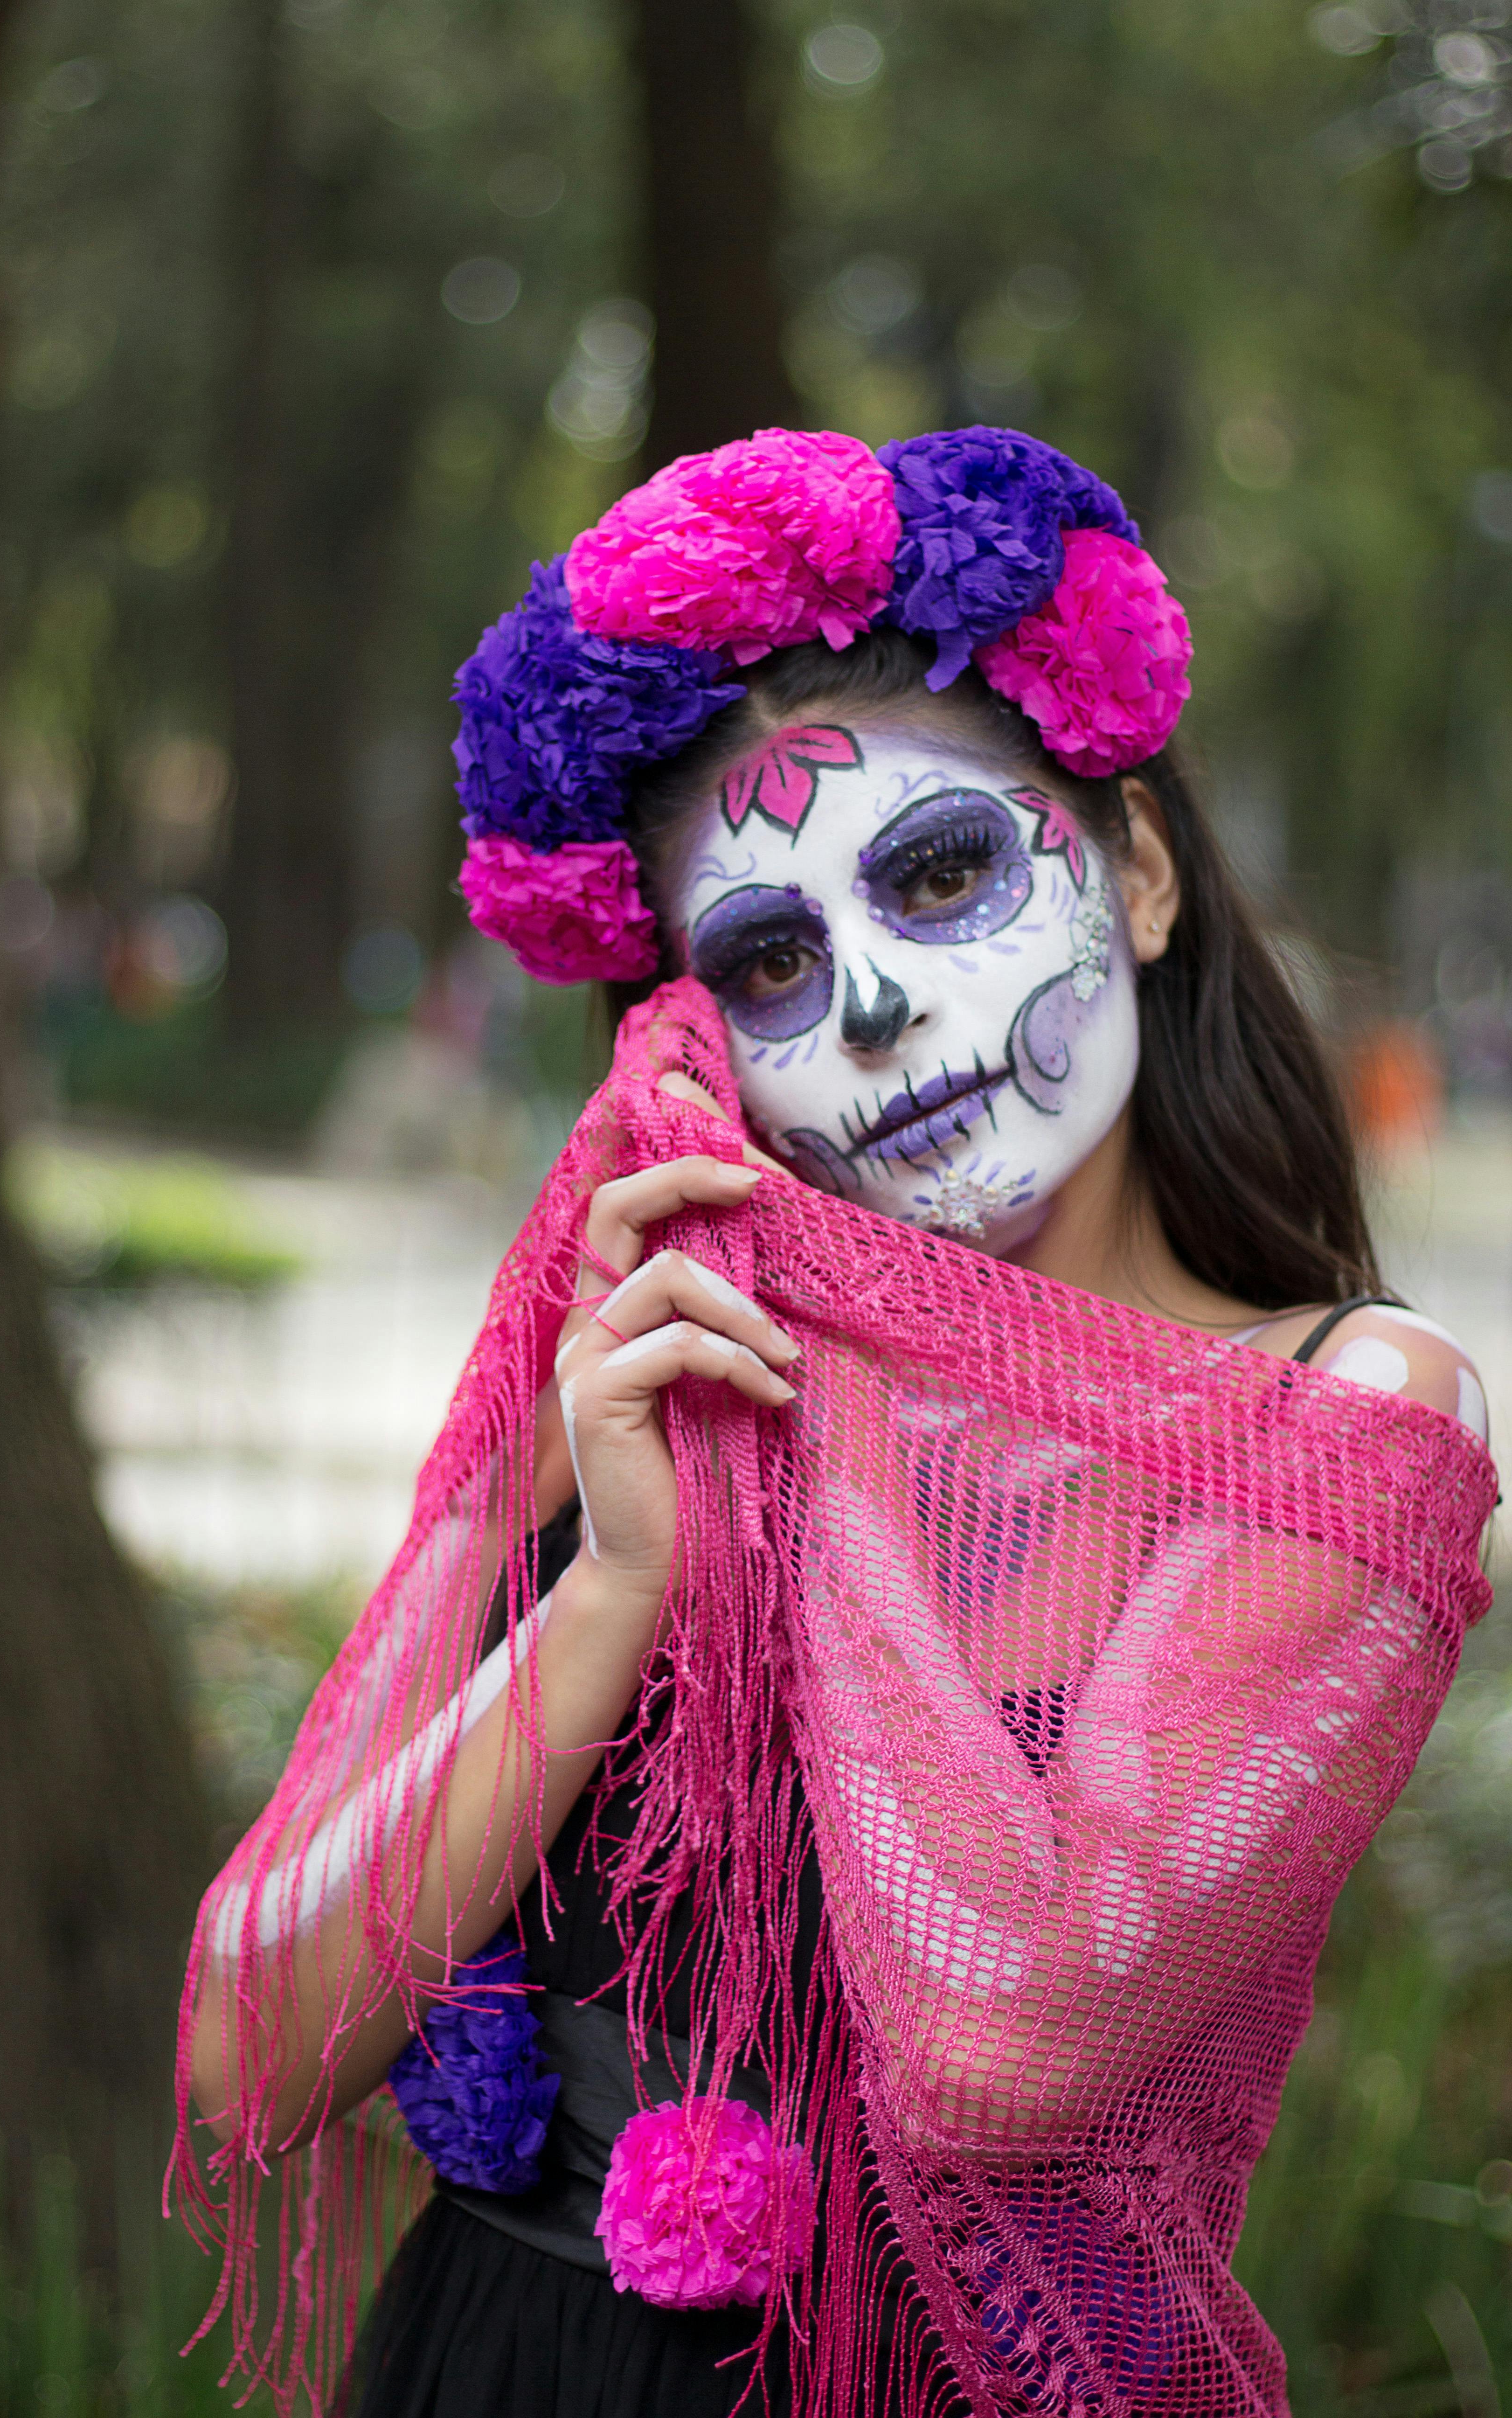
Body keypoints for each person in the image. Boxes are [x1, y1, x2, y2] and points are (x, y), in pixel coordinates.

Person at [177, 426, 1496, 2418]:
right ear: (692, 1040)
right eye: (771, 962)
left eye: (945, 871)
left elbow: (1001, 2048)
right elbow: (252, 2049)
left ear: (1134, 872)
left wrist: (836, 1364)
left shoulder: (1336, 1415)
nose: (872, 1010)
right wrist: (620, 1588)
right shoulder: (634, 1373)